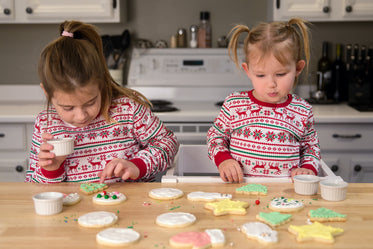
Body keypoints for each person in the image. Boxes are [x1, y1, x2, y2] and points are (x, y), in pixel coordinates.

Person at [25, 20, 179, 184]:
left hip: (133, 208)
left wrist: (137, 165)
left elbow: (168, 144)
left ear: (101, 84)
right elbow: (34, 187)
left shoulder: (128, 110)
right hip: (78, 209)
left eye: (90, 102)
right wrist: (51, 169)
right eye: (68, 107)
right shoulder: (46, 124)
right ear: (47, 93)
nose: (81, 116)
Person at [207, 18, 321, 183]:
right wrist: (223, 160)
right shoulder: (234, 105)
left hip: (285, 195)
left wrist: (308, 169)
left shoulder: (302, 110)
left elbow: (311, 147)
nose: (271, 84)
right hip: (239, 192)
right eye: (261, 75)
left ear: (297, 68)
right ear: (248, 70)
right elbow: (215, 137)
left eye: (280, 74)